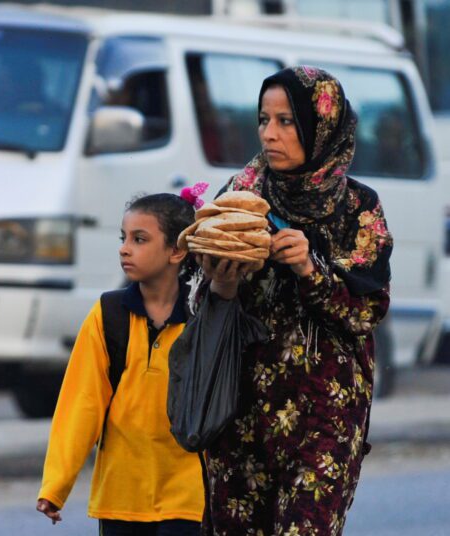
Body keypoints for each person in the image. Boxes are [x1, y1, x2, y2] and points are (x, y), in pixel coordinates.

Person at [197, 66, 392, 535]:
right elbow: (199, 297)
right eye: (264, 120)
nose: (270, 134)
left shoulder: (358, 207)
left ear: (319, 127)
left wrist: (310, 268)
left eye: (287, 122)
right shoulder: (240, 196)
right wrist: (220, 281)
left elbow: (366, 310)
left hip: (326, 414)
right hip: (238, 411)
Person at [37, 193, 206, 535]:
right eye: (123, 238)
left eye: (140, 239)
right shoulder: (108, 313)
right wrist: (56, 485)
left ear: (177, 251)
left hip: (192, 496)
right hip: (121, 495)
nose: (124, 248)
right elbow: (82, 403)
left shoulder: (204, 316)